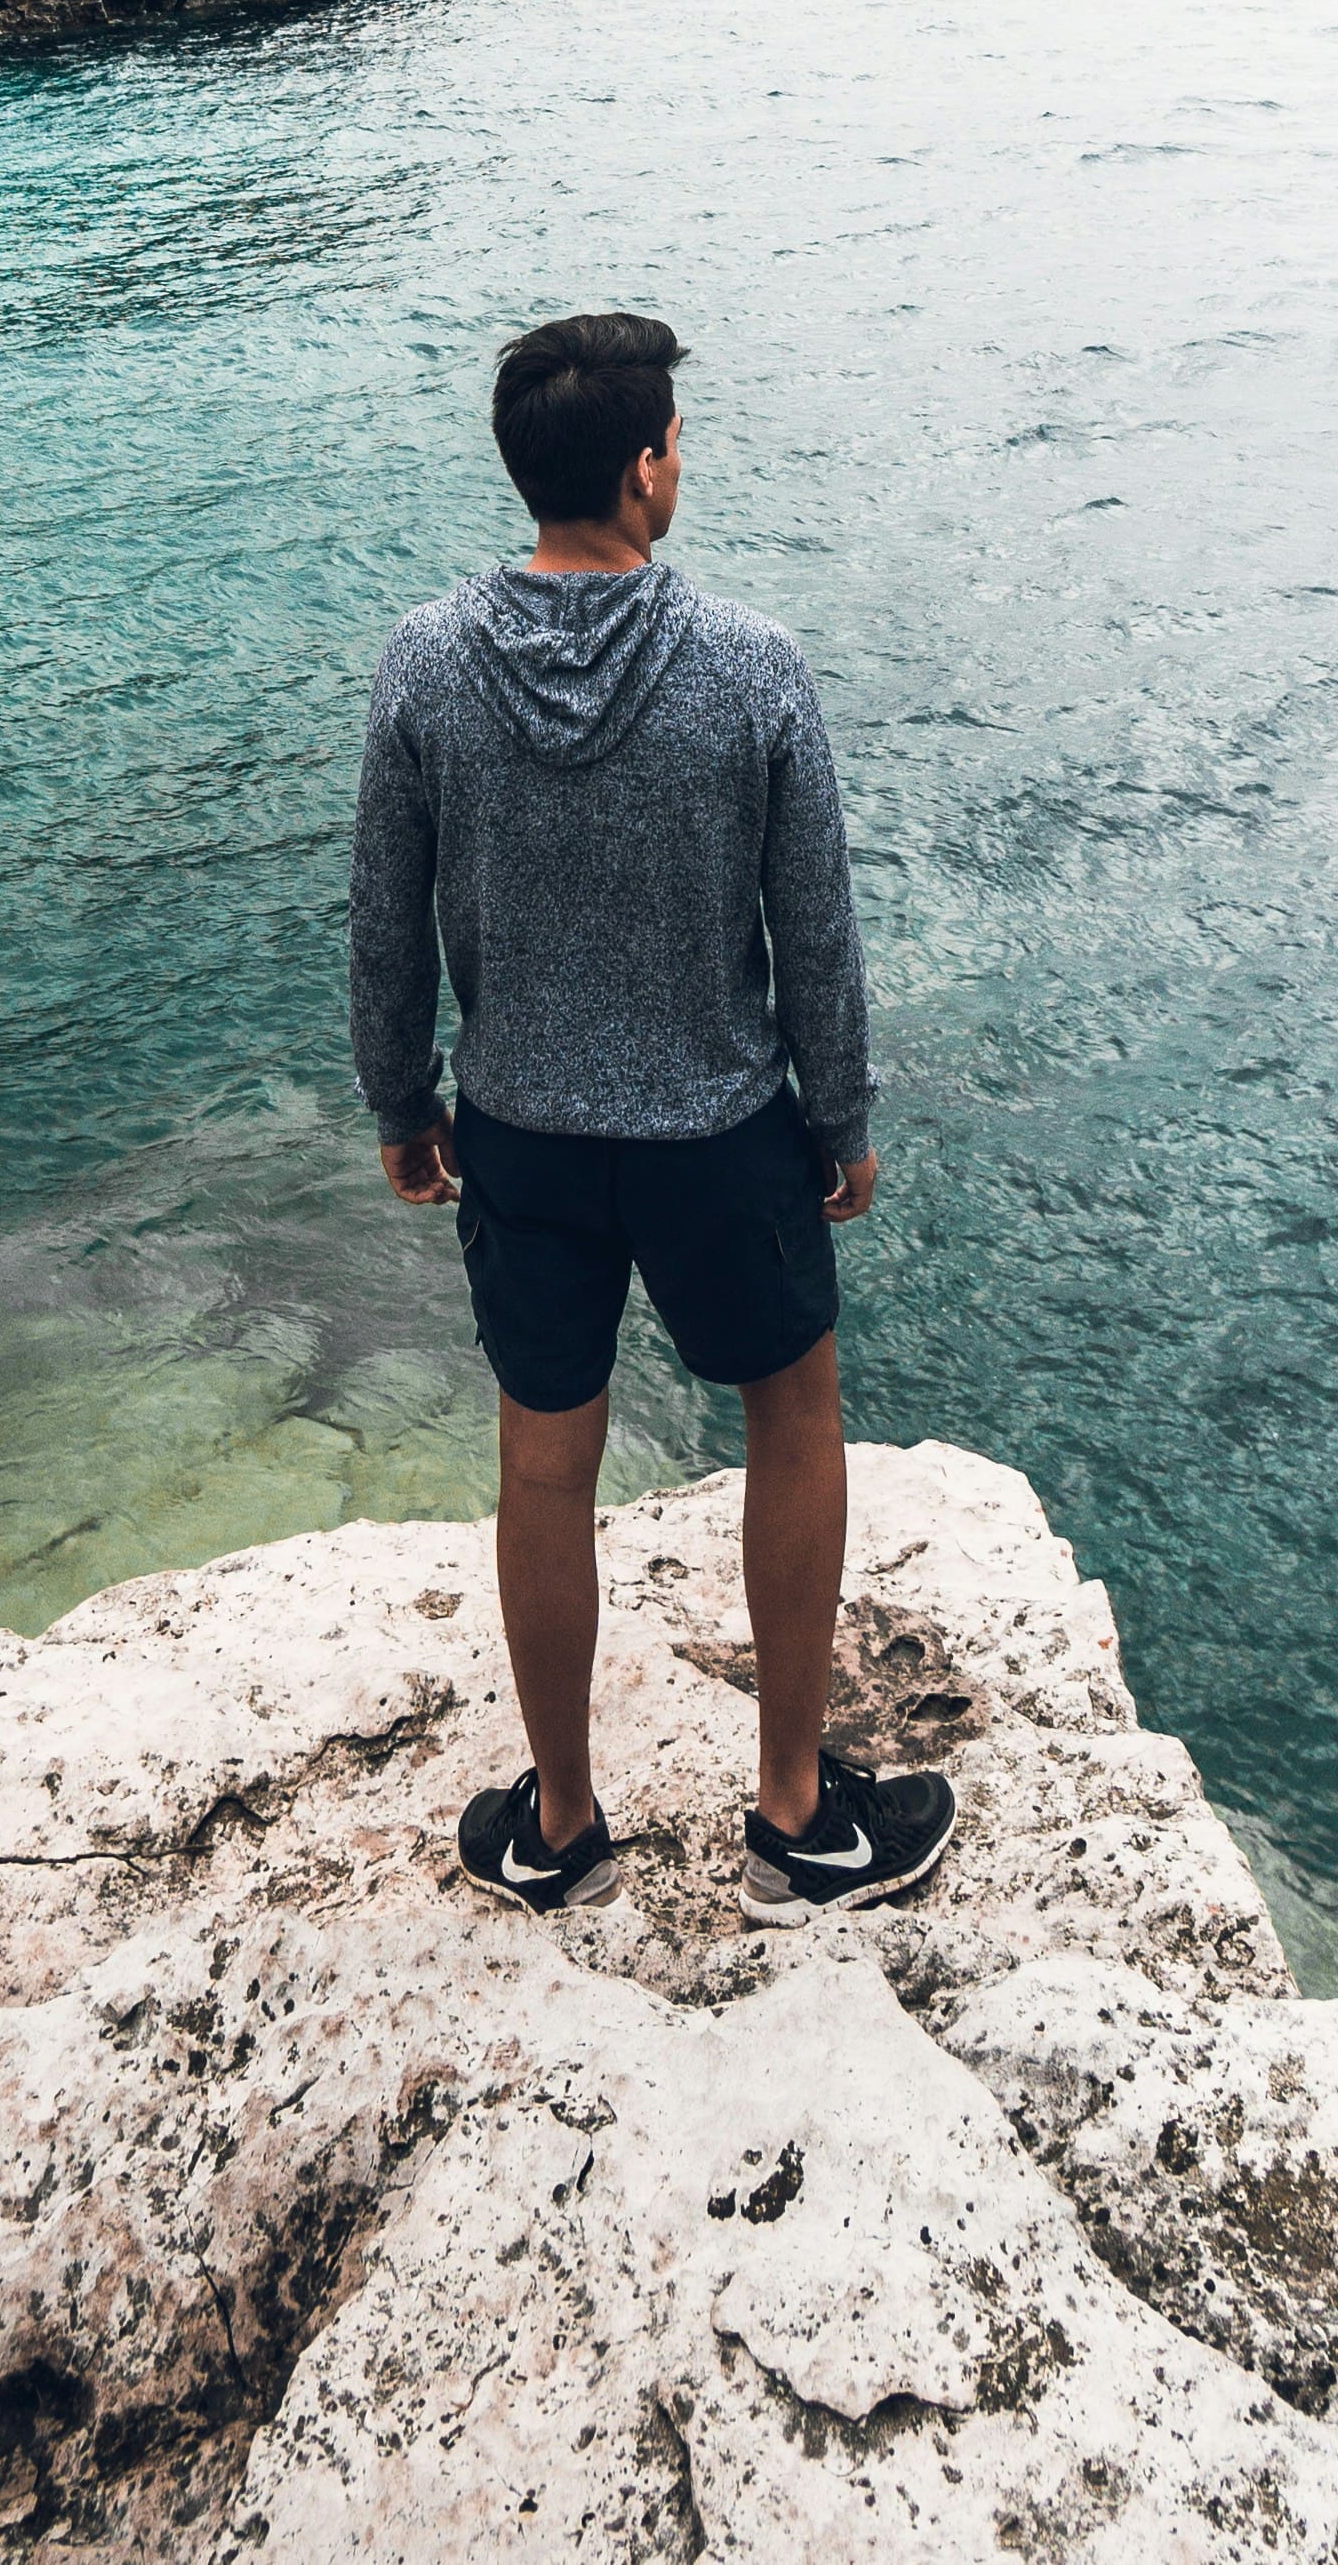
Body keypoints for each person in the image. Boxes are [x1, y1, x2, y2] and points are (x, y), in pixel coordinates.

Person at [348, 309, 955, 1923]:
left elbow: (381, 928)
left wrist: (400, 1107)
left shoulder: (420, 664)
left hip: (522, 1138)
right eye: (673, 439)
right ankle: (792, 1820)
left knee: (543, 1467)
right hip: (721, 1136)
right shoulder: (751, 667)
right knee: (793, 1417)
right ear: (639, 468)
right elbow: (811, 930)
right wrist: (845, 1123)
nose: (680, 460)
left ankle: (555, 1822)